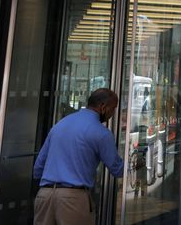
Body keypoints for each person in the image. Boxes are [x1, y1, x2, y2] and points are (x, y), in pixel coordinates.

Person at [33, 88, 124, 225]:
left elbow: (38, 167)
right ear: (103, 107)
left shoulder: (60, 124)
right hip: (73, 199)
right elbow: (117, 169)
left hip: (44, 195)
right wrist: (134, 164)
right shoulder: (101, 133)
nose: (113, 113)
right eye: (113, 108)